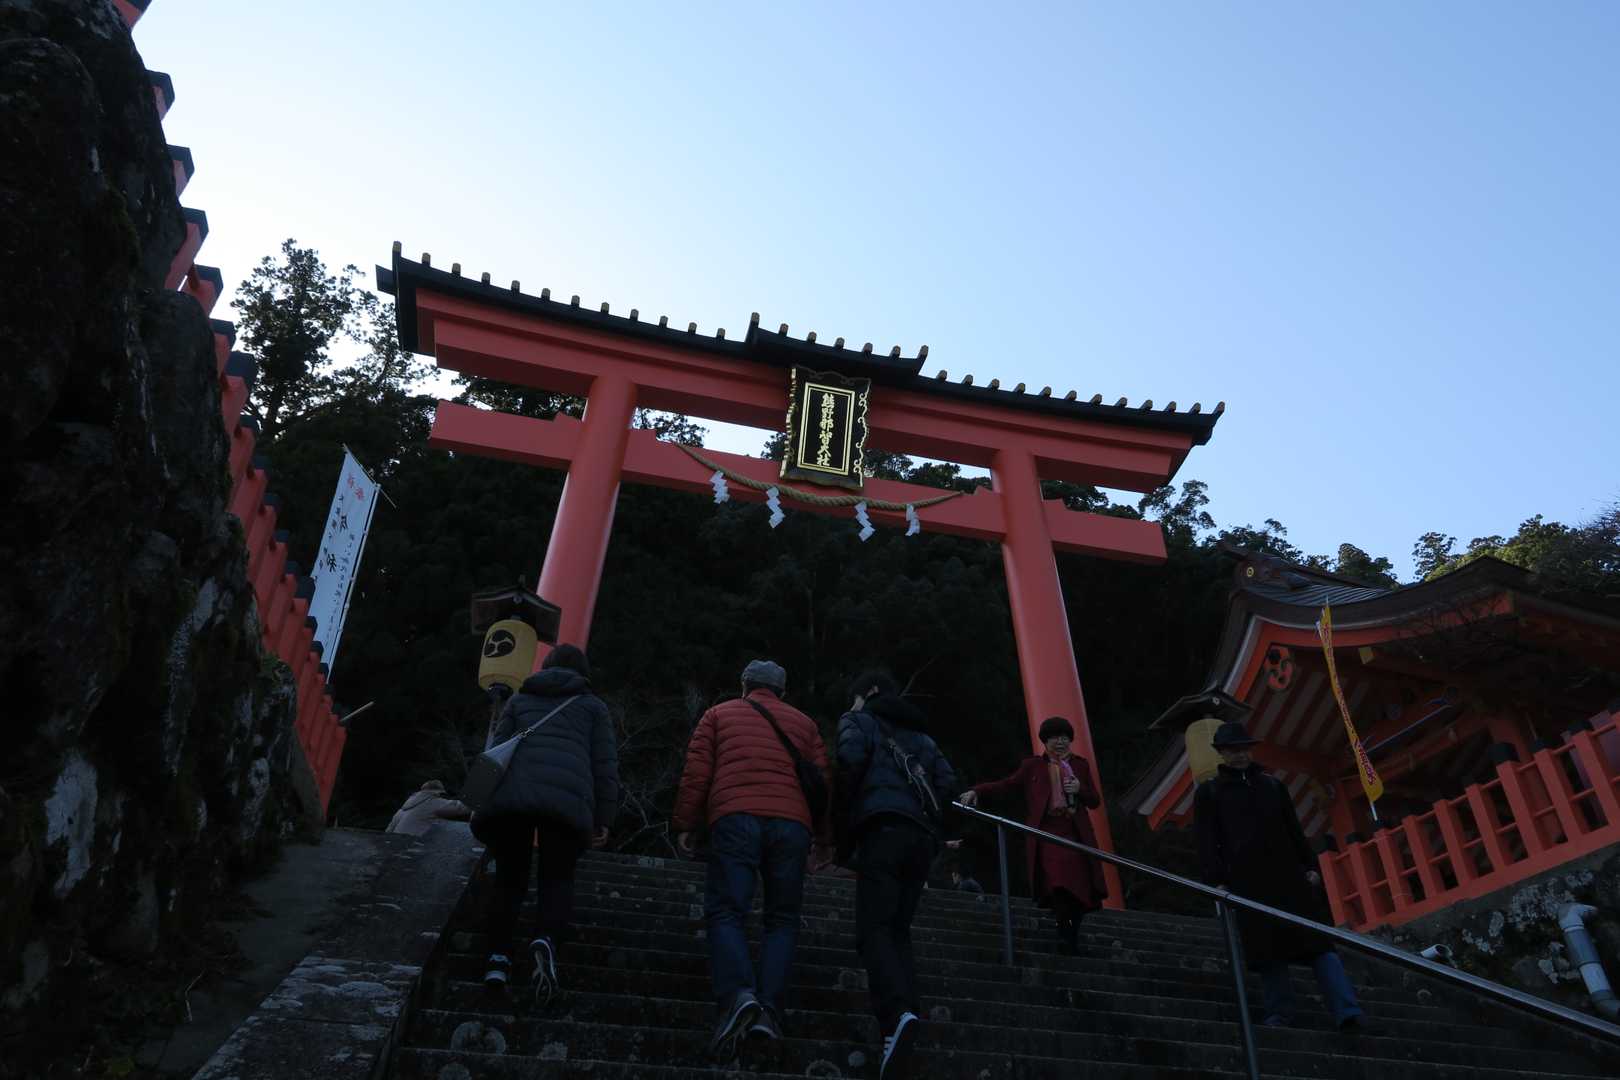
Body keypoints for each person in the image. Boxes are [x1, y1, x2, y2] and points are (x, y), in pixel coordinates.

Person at [671, 660, 832, 1060]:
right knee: (782, 919)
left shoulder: (717, 715)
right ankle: (769, 1010)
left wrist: (687, 823)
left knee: (727, 910)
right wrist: (824, 838)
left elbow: (697, 773)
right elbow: (822, 783)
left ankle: (739, 994)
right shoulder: (805, 724)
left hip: (735, 817)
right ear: (782, 691)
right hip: (792, 825)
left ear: (744, 685)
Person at [1193, 721, 1372, 1033]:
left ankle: (1347, 1011)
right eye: (1232, 750)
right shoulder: (1210, 792)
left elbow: (1294, 830)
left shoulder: (1273, 786)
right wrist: (1216, 879)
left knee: (1319, 946)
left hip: (1290, 876)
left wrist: (1309, 865)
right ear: (1221, 753)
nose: (1240, 755)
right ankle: (1281, 1013)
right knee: (1268, 952)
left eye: (1243, 748)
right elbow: (1207, 841)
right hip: (1247, 880)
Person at [473, 643, 618, 1008]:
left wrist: (479, 800)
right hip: (566, 802)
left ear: (546, 666)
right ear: (582, 671)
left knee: (509, 879)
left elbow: (497, 750)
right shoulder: (592, 707)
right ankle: (546, 939)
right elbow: (604, 765)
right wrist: (603, 817)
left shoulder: (520, 700)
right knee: (557, 877)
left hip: (514, 800)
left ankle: (497, 960)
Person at [837, 669, 959, 1080]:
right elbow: (948, 784)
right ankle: (906, 1017)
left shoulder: (858, 722)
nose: (852, 705)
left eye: (856, 697)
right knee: (898, 930)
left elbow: (849, 766)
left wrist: (840, 837)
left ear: (869, 692)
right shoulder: (924, 738)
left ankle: (895, 1016)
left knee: (873, 928)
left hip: (881, 829)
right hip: (921, 839)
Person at [959, 716, 1105, 954]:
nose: (1061, 742)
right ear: (1045, 742)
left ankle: (1070, 935)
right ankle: (1064, 932)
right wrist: (978, 790)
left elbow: (1095, 801)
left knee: (1079, 891)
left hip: (1075, 835)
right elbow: (1006, 785)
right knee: (1058, 884)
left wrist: (1080, 789)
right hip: (1047, 835)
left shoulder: (1081, 765)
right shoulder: (1032, 767)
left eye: (1065, 737)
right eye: (1055, 738)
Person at [385, 779, 472, 837]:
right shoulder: (431, 802)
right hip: (411, 845)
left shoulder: (403, 808)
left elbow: (388, 831)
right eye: (440, 794)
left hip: (397, 847)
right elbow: (463, 808)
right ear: (437, 792)